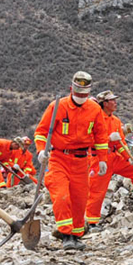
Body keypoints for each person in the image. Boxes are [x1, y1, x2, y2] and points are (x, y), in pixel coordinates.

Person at [34, 71, 109, 250]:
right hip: (59, 158)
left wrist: (102, 159)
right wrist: (40, 151)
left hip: (82, 160)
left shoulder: (94, 109)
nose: (81, 97)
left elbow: (101, 135)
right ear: (71, 89)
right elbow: (41, 132)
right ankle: (66, 234)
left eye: (85, 94)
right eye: (78, 93)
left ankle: (75, 235)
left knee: (79, 199)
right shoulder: (57, 106)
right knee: (61, 196)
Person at [85, 90, 133, 228]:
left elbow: (121, 144)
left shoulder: (116, 121)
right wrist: (108, 140)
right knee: (97, 190)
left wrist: (130, 158)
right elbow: (88, 141)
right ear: (104, 103)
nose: (115, 102)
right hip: (100, 159)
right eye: (112, 100)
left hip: (115, 157)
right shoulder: (94, 119)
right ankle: (92, 221)